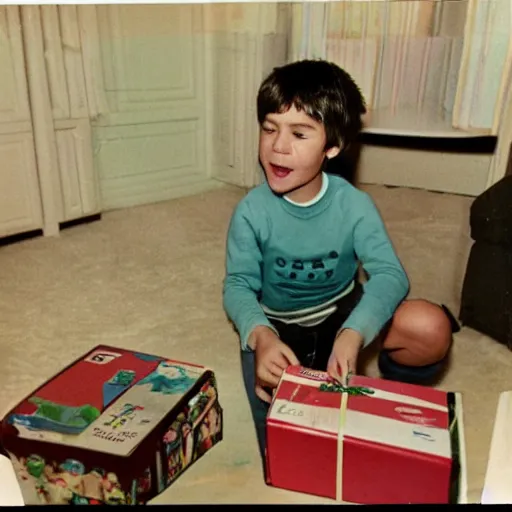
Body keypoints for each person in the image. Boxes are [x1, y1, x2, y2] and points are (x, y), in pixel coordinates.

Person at [222, 59, 460, 462]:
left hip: (342, 313)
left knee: (430, 327)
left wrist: (355, 332)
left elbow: (390, 274)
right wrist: (260, 337)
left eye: (299, 133)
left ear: (333, 145)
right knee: (289, 453)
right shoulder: (250, 212)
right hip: (279, 328)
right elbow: (238, 285)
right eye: (269, 128)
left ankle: (387, 389)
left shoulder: (354, 205)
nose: (278, 145)